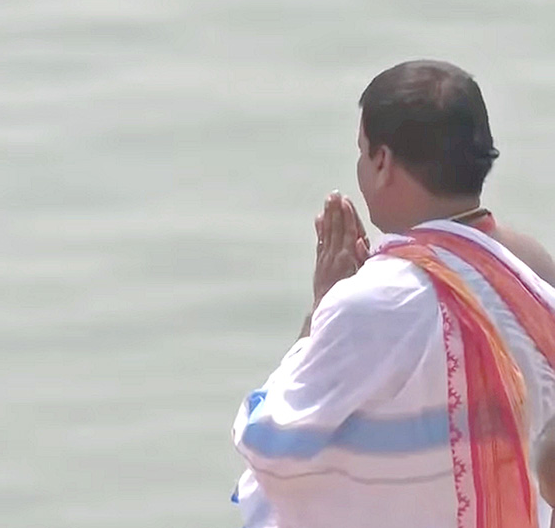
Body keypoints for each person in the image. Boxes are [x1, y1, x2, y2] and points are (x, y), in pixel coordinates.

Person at [231, 60, 555, 528]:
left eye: (363, 152)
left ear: (382, 163)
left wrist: (320, 313)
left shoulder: (372, 301)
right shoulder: (533, 276)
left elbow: (272, 445)